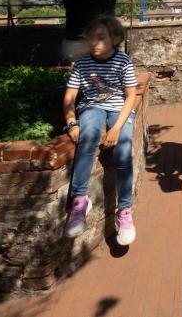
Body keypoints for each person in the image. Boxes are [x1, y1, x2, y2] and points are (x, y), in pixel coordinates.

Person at [63, 16, 139, 245]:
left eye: (101, 37)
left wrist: (116, 128)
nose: (94, 42)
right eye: (91, 38)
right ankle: (79, 201)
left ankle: (124, 210)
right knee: (88, 139)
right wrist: (71, 121)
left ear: (115, 39)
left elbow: (131, 96)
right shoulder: (82, 63)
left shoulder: (123, 62)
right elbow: (70, 96)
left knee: (123, 151)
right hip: (92, 106)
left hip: (119, 108)